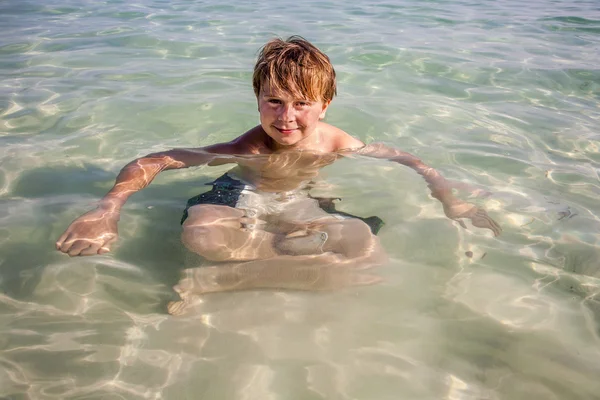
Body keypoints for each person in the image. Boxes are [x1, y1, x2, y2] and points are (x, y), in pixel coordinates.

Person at [56, 36, 500, 312]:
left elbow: (410, 160)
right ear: (257, 99)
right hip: (241, 197)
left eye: (302, 103)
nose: (287, 117)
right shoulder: (247, 147)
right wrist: (108, 207)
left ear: (324, 105)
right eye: (274, 101)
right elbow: (152, 161)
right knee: (201, 237)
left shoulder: (336, 142)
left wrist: (451, 199)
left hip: (302, 203)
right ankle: (287, 265)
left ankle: (227, 279)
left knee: (369, 260)